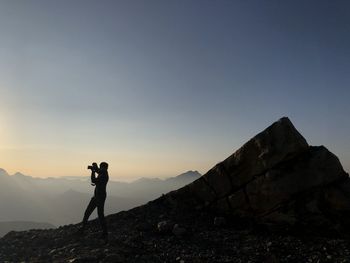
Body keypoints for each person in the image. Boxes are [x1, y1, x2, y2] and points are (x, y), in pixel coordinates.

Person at [80, 162, 109, 239]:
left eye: (101, 167)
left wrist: (93, 170)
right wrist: (94, 168)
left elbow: (93, 180)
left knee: (99, 215)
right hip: (97, 196)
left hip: (99, 197)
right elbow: (98, 173)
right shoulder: (102, 173)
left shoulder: (104, 175)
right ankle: (82, 229)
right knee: (88, 212)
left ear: (105, 168)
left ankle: (105, 232)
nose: (100, 168)